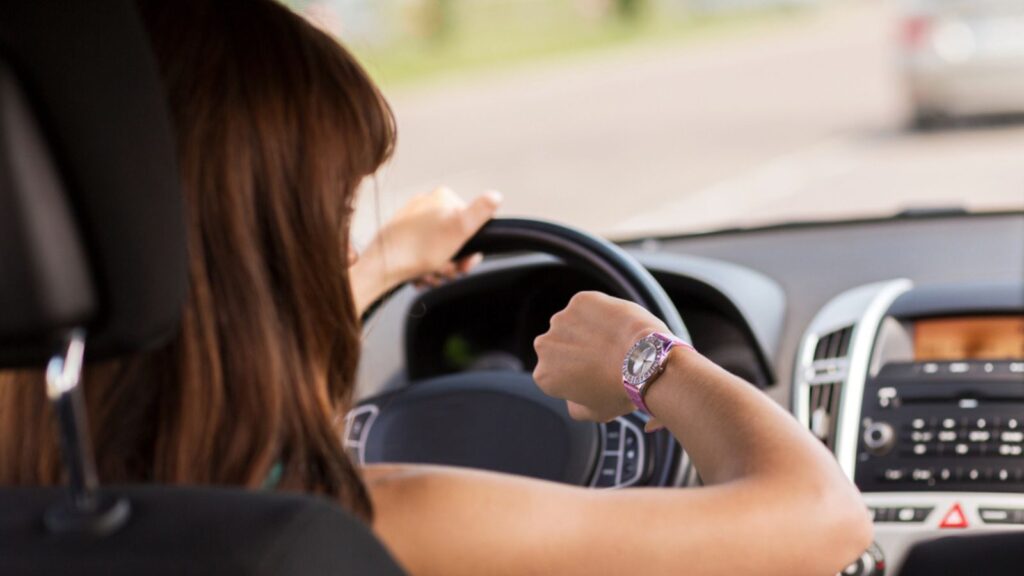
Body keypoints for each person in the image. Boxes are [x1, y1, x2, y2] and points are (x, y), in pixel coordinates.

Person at [0, 1, 872, 575]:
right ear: (261, 254)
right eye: (330, 217)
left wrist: (378, 263)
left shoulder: (35, 510)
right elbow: (823, 515)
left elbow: (202, 333)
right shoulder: (346, 530)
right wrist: (648, 360)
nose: (338, 244)